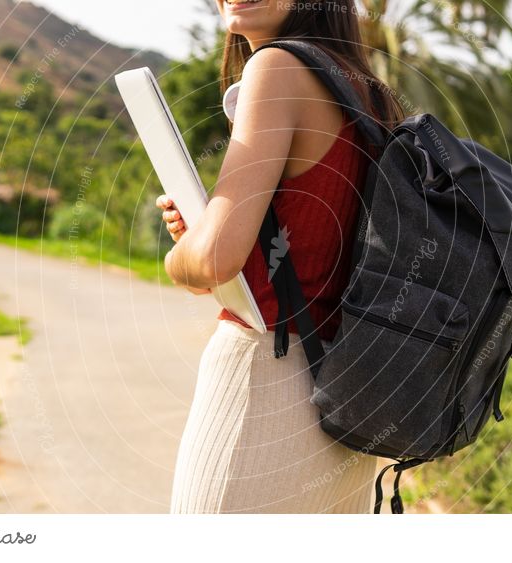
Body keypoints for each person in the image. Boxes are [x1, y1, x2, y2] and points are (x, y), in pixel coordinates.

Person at [157, 0, 404, 513]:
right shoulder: (365, 92)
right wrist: (209, 235)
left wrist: (185, 252)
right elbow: (306, 257)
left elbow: (213, 263)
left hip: (264, 390)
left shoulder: (275, 67)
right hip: (348, 406)